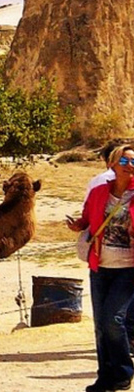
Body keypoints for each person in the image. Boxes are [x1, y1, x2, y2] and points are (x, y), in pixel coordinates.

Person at [67, 145, 134, 392]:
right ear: (113, 165)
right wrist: (78, 225)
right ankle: (106, 376)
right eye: (125, 161)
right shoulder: (98, 192)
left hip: (129, 268)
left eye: (133, 162)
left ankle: (124, 371)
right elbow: (87, 218)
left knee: (113, 320)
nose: (130, 166)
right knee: (100, 325)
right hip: (101, 265)